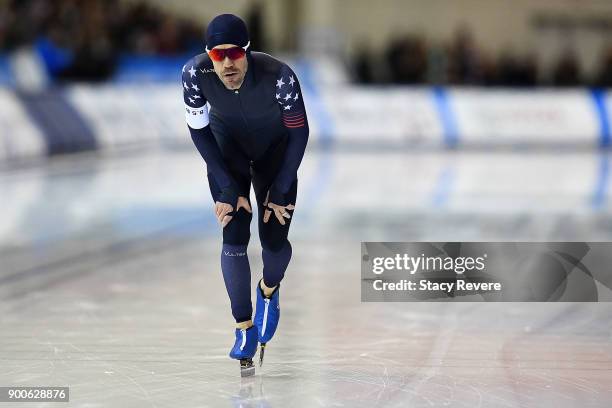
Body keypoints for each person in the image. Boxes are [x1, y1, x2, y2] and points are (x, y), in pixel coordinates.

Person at [181, 14, 309, 376]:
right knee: (234, 231)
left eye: (234, 53)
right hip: (229, 153)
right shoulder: (194, 74)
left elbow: (299, 133)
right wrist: (225, 187)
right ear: (208, 55)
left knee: (272, 236)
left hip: (275, 154)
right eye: (217, 56)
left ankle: (269, 289)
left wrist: (282, 186)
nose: (227, 63)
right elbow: (200, 132)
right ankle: (243, 327)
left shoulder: (279, 76)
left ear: (247, 52)